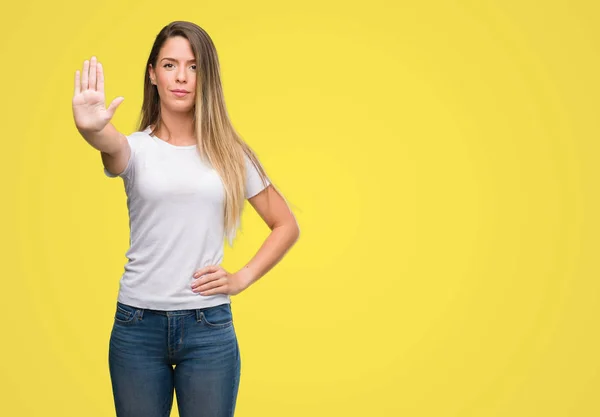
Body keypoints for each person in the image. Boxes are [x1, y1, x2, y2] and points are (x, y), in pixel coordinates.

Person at [72, 21, 300, 417]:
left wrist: (241, 277)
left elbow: (286, 224)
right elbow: (109, 145)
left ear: (206, 76)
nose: (181, 77)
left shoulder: (230, 153)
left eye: (193, 67)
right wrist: (92, 129)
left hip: (208, 328)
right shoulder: (135, 150)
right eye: (170, 64)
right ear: (152, 74)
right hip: (136, 327)